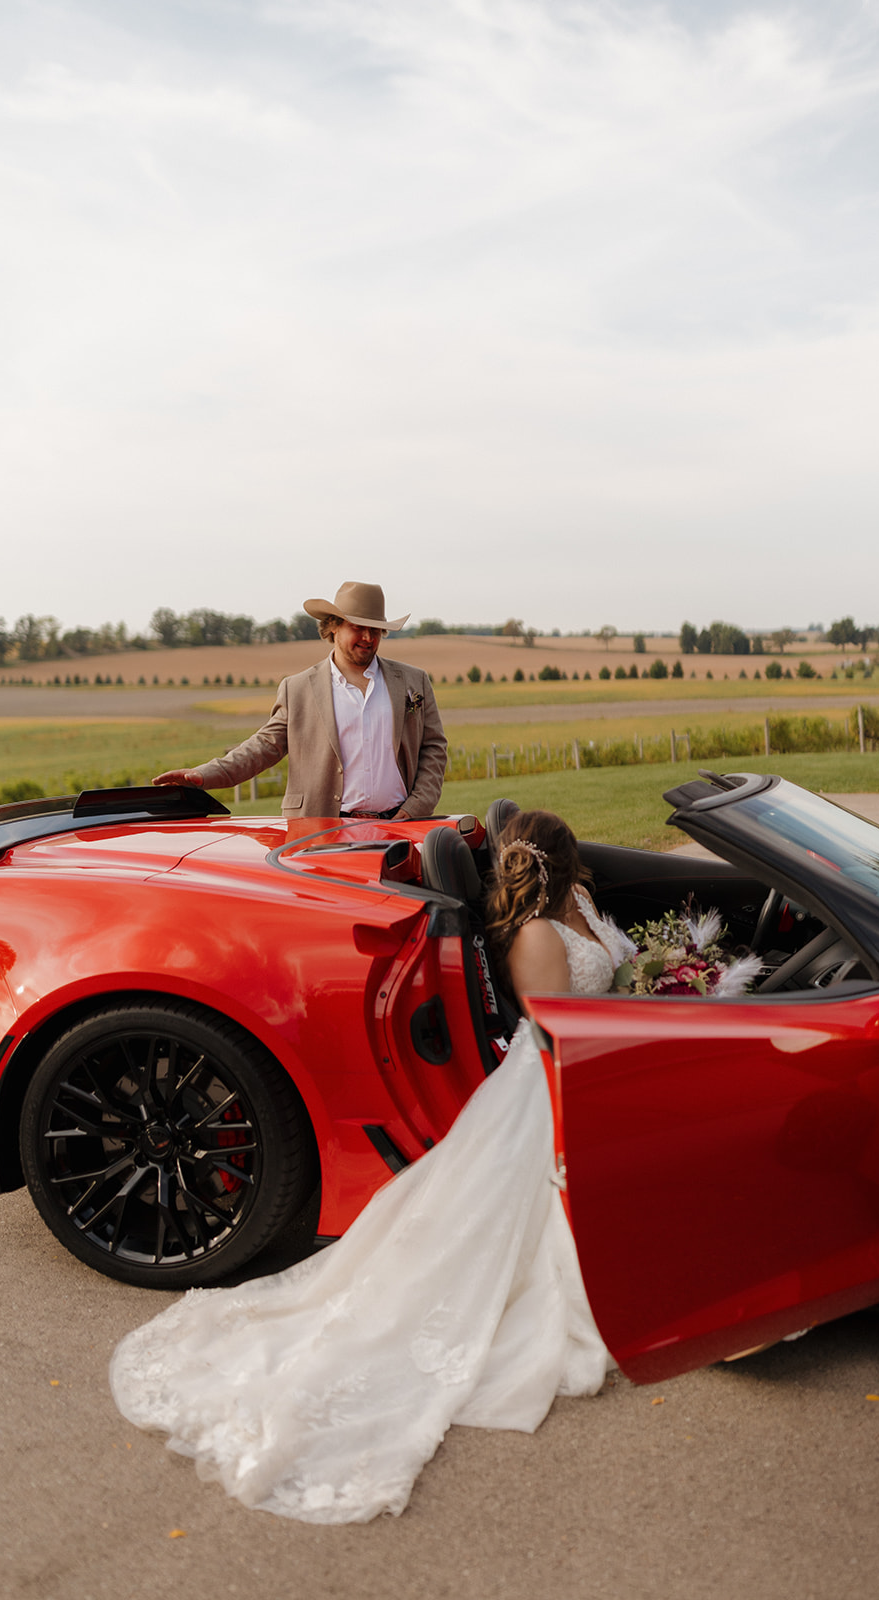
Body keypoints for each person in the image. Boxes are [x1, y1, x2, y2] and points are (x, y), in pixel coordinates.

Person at [109, 811, 637, 1524]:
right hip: (550, 1078)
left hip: (607, 1057)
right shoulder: (538, 937)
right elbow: (555, 1029)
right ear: (565, 861)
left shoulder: (581, 907)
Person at [152, 581, 447, 820]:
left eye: (375, 629)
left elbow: (434, 748)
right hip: (321, 829)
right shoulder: (298, 688)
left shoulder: (413, 681)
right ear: (333, 626)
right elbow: (263, 748)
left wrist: (415, 807)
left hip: (400, 825)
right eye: (357, 627)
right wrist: (203, 775)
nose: (368, 637)